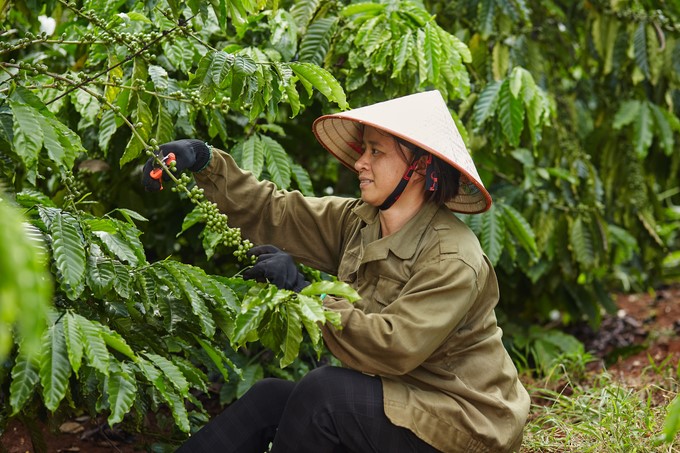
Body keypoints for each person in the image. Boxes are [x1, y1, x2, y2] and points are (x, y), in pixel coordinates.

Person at [142, 90, 530, 453]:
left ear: (419, 166)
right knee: (270, 398)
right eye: (364, 150)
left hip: (462, 420)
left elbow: (393, 348)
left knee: (323, 394)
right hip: (399, 399)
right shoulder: (359, 221)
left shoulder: (452, 256)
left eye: (376, 152)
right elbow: (274, 213)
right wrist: (204, 161)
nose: (360, 162)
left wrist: (304, 292)